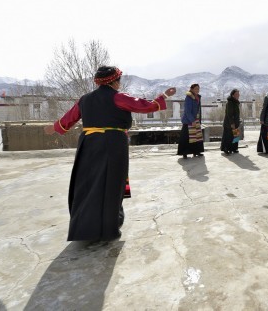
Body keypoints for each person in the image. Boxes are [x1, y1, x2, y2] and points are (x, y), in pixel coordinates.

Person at [44, 66, 176, 241]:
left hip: (88, 144)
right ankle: (107, 229)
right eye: (119, 80)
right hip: (113, 143)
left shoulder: (85, 99)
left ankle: (83, 229)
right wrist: (164, 96)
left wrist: (53, 128)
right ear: (114, 81)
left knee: (87, 184)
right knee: (112, 184)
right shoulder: (118, 97)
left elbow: (68, 119)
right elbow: (146, 106)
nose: (119, 83)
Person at [178, 84, 204, 159]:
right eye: (196, 89)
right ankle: (184, 152)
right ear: (191, 89)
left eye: (198, 89)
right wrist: (192, 120)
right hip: (188, 120)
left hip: (196, 119)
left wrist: (198, 120)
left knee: (197, 136)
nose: (197, 90)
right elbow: (187, 110)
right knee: (186, 137)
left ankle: (196, 151)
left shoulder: (198, 97)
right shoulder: (189, 97)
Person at [220, 89, 241, 155]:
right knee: (228, 136)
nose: (238, 95)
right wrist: (232, 123)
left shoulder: (236, 102)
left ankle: (234, 148)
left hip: (236, 122)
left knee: (236, 136)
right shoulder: (230, 102)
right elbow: (229, 114)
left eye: (238, 94)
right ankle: (226, 149)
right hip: (229, 123)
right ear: (233, 95)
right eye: (236, 94)